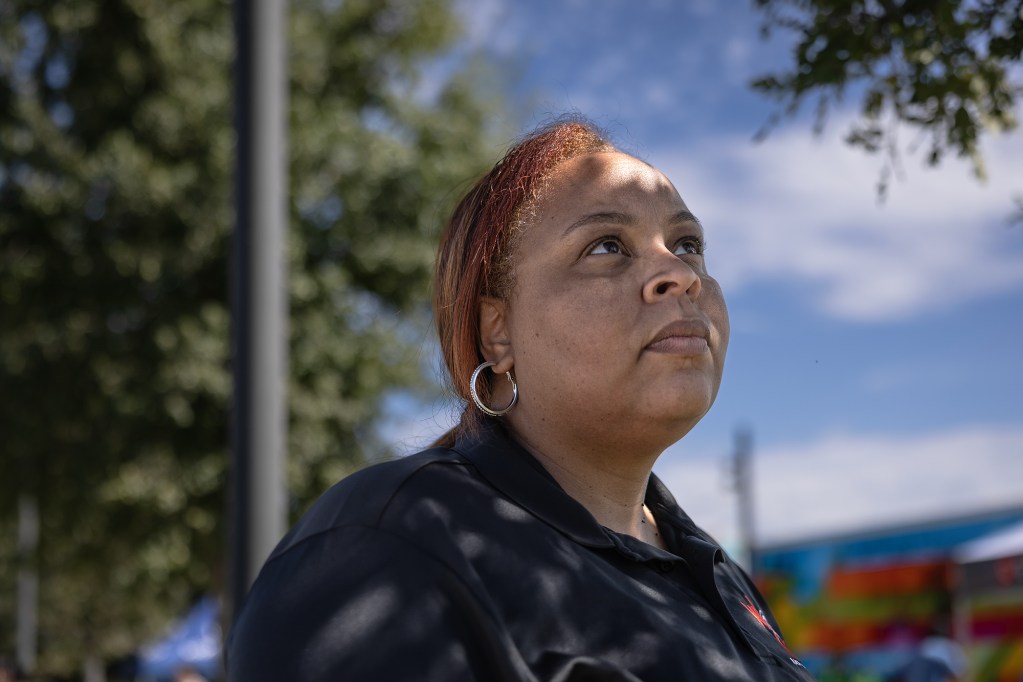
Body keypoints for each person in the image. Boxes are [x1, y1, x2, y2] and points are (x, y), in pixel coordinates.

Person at [226, 118, 815, 681]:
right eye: (607, 247)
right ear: (497, 333)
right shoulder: (393, 542)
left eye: (687, 245)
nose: (677, 273)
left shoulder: (719, 575)